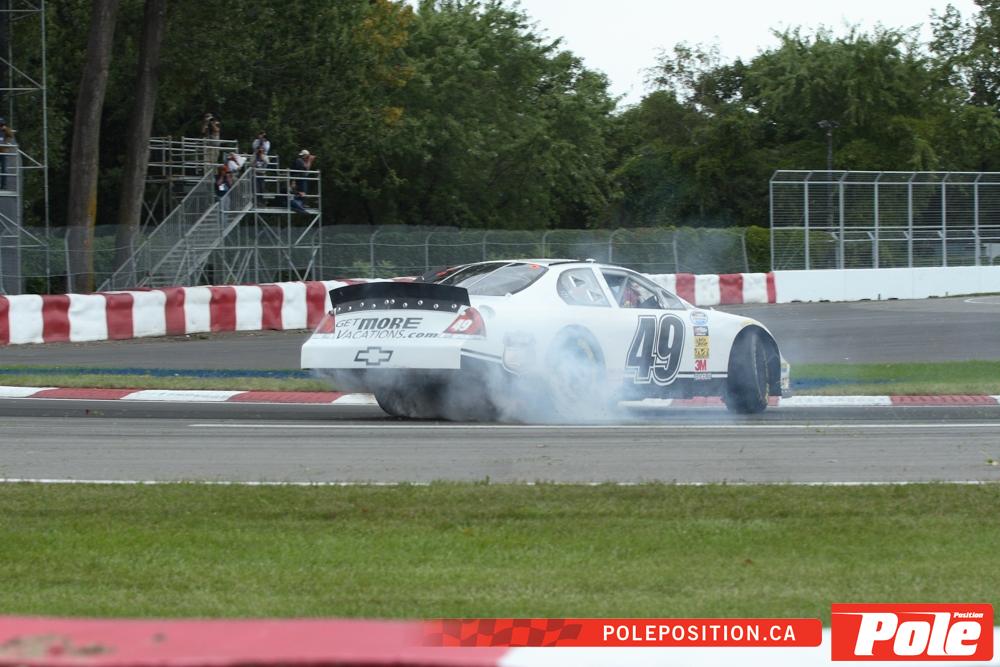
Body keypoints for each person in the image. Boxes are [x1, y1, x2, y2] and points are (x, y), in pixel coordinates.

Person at [0, 118, 15, 191]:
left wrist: (5, 129)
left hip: (2, 152)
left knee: (3, 169)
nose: (1, 126)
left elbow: (11, 135)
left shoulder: (5, 131)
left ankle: (3, 186)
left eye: (2, 124)